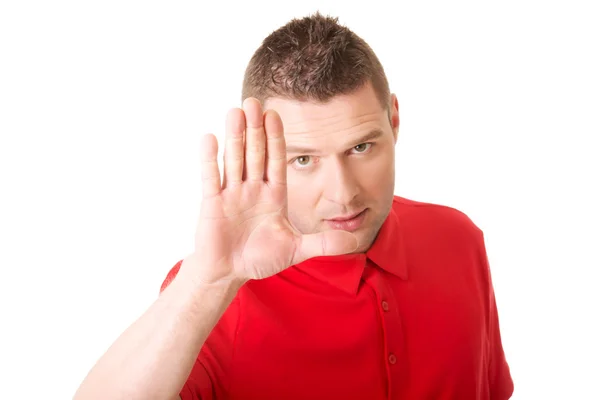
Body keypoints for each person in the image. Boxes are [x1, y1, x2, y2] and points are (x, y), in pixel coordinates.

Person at [74, 12, 513, 400]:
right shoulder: (215, 289)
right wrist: (209, 283)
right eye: (304, 159)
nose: (342, 194)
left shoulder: (459, 239)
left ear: (393, 120)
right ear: (263, 152)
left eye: (361, 147)